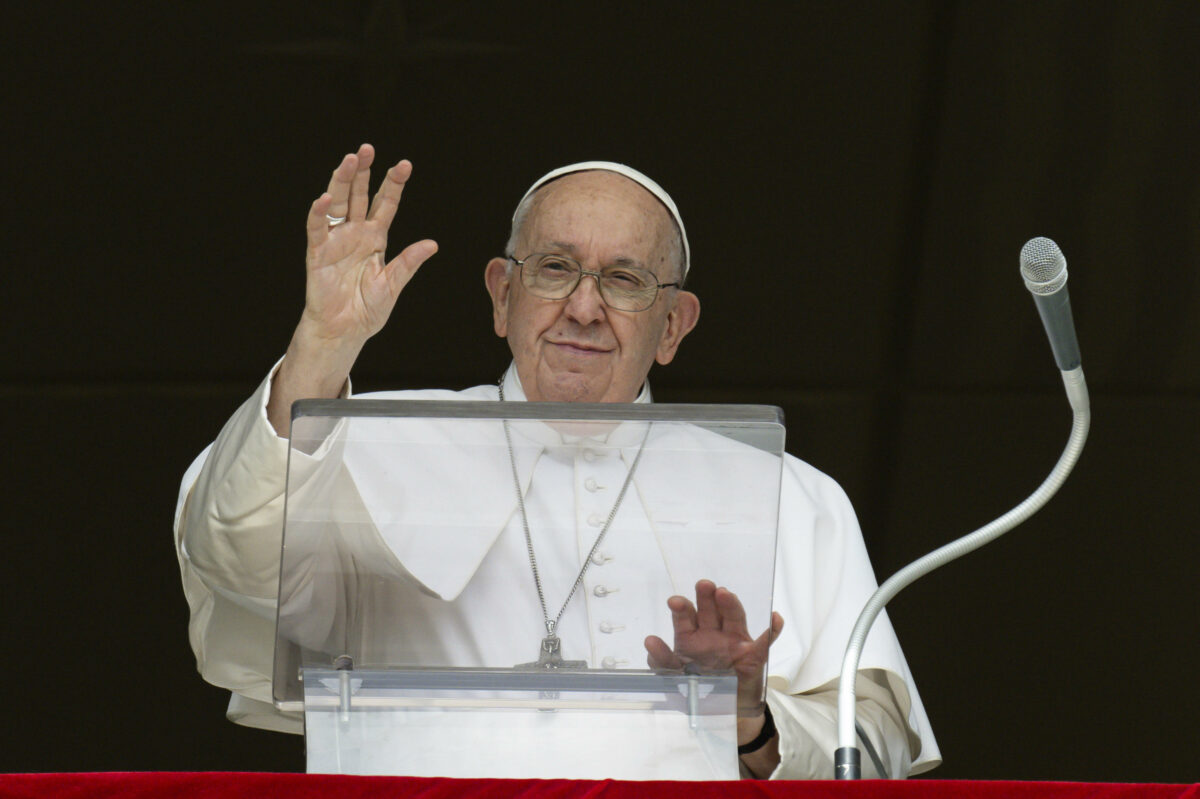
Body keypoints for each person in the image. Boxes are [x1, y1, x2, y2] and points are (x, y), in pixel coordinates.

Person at [174, 144, 940, 779]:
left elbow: (873, 752)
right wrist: (322, 346)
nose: (582, 307)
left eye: (625, 279)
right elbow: (239, 560)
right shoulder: (369, 445)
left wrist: (752, 720)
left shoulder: (790, 496)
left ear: (673, 325)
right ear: (501, 295)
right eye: (553, 268)